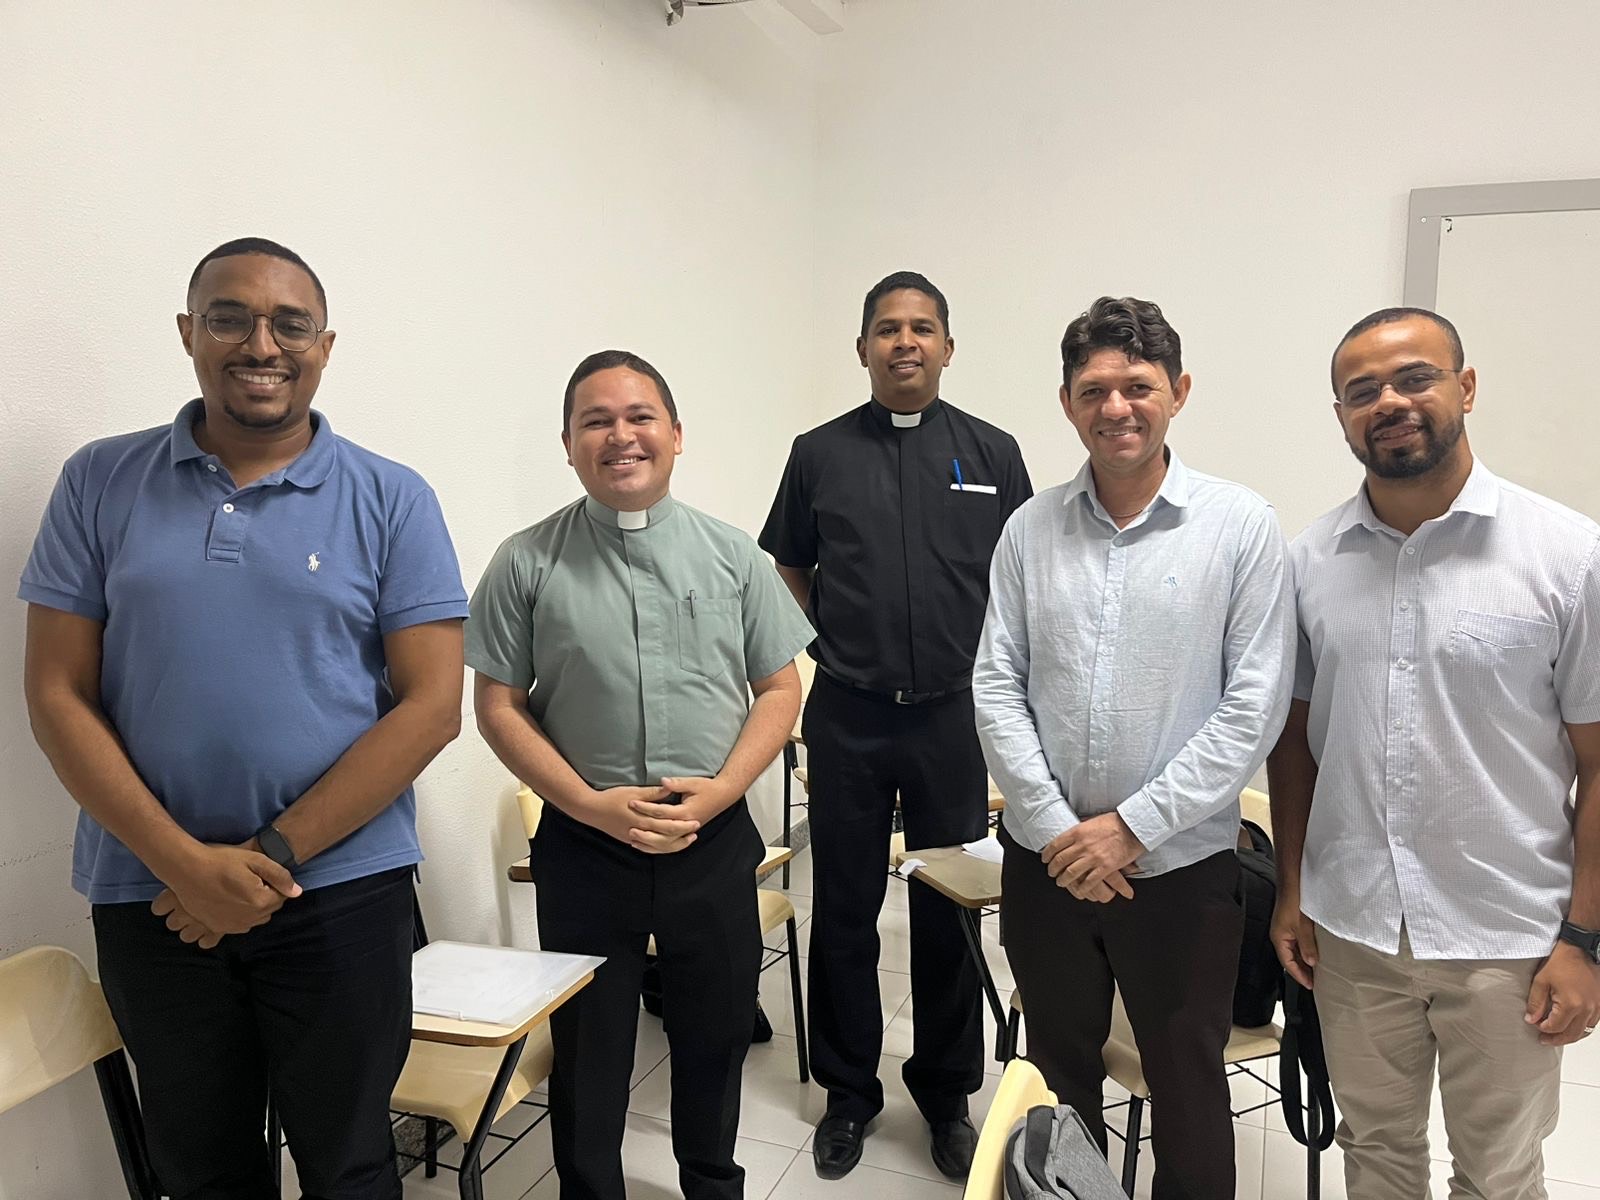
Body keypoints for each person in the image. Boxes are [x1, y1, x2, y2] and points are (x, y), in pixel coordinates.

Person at [18, 237, 469, 1199]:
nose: (261, 344)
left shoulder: (393, 497)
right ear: (189, 333)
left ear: (325, 346)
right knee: (201, 1171)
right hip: (153, 898)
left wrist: (269, 857)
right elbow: (56, 692)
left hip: (341, 892)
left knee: (351, 1164)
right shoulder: (100, 481)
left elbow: (433, 708)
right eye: (230, 317)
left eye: (290, 324)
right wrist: (187, 866)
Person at [1268, 306, 1600, 1199]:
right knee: (1375, 1154)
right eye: (1361, 390)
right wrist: (1293, 889)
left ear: (1467, 386)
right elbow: (1296, 746)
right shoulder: (1309, 563)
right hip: (1353, 932)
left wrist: (1584, 939)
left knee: (1499, 1174)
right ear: (1341, 416)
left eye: (1414, 377)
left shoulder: (1568, 557)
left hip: (1507, 937)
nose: (1389, 401)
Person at [468, 350, 813, 1200]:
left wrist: (724, 790)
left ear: (676, 434)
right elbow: (499, 706)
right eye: (596, 421)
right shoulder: (525, 561)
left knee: (716, 1034)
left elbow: (780, 688)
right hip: (586, 846)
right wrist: (588, 804)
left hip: (711, 837)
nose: (620, 436)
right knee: (589, 1048)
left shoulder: (733, 556)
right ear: (568, 444)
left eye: (639, 417)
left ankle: (712, 1182)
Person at [973, 296, 1293, 1200]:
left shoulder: (1240, 526)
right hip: (1047, 866)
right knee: (1056, 1077)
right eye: (1094, 390)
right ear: (1068, 403)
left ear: (1178, 393)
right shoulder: (1030, 529)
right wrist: (1055, 829)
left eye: (1138, 387)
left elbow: (1254, 706)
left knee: (1187, 1088)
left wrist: (1130, 829)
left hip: (1181, 871)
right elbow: (996, 683)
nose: (1116, 407)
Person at [760, 271, 1032, 1179]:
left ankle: (946, 1095)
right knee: (842, 906)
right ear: (863, 348)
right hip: (848, 713)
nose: (904, 341)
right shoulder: (818, 453)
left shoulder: (993, 453)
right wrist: (832, 641)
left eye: (921, 328)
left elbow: (1024, 574)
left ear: (948, 347)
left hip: (951, 716)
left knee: (947, 908)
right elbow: (789, 566)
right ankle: (849, 1093)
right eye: (887, 328)